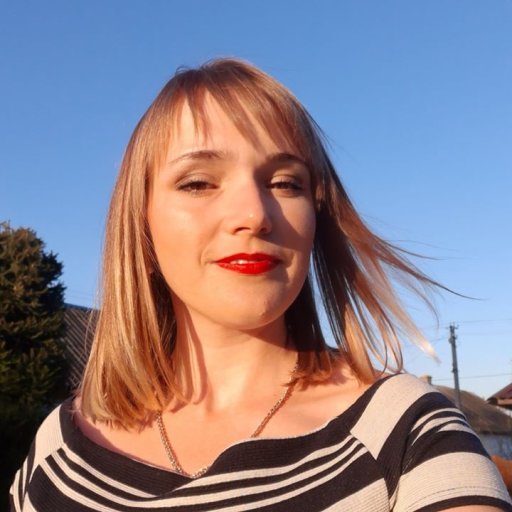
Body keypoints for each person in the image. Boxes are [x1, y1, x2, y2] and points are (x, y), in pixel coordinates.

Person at [10, 58, 512, 512]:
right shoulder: (60, 449)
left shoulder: (406, 435)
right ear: (141, 220)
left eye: (285, 183)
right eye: (198, 182)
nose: (254, 214)